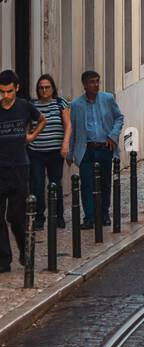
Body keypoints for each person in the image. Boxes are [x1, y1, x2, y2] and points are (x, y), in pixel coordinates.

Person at [0, 70, 45, 272]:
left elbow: (41, 119)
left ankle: (24, 250)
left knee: (16, 216)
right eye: (2, 92)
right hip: (0, 169)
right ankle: (3, 259)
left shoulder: (25, 106)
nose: (6, 96)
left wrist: (32, 136)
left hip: (19, 167)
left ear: (17, 88)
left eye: (9, 91)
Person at [69, 71, 124, 230]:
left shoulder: (107, 99)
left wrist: (113, 136)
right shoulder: (77, 105)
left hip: (104, 147)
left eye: (97, 81)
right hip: (86, 149)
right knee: (86, 184)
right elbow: (72, 129)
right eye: (92, 82)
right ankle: (90, 217)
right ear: (85, 85)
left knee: (105, 183)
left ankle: (104, 214)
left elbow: (119, 118)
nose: (96, 84)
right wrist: (70, 152)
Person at [28, 74, 71, 230]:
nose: (44, 90)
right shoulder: (32, 105)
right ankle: (40, 218)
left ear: (53, 88)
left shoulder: (60, 103)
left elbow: (68, 125)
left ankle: (58, 215)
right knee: (38, 185)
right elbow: (27, 126)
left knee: (55, 184)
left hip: (55, 152)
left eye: (47, 87)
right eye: (41, 88)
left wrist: (65, 144)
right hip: (36, 152)